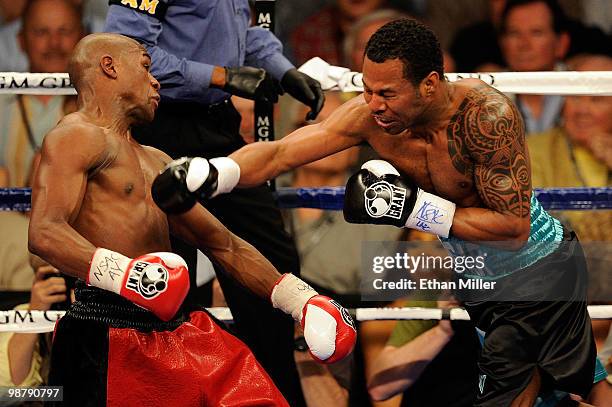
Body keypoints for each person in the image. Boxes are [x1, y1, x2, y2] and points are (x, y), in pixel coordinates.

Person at [159, 18, 597, 406]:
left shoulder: (486, 117)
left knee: (510, 396)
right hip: (479, 279)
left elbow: (514, 228)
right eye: (367, 90)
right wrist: (215, 172)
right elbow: (280, 154)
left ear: (429, 83)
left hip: (539, 268)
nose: (374, 103)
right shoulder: (372, 116)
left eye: (387, 92)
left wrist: (413, 209)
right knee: (588, 388)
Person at [27, 32, 356, 406]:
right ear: (109, 66)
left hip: (178, 326)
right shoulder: (76, 135)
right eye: (147, 67)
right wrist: (128, 275)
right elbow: (45, 232)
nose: (156, 81)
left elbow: (224, 244)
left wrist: (301, 300)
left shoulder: (157, 161)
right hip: (105, 327)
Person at [103, 3, 323, 402]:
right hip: (160, 125)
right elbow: (126, 50)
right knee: (168, 281)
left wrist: (282, 68)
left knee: (271, 259)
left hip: (218, 125)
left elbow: (241, 32)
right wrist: (220, 75)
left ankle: (272, 394)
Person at [0, 0, 83, 187]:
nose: (54, 43)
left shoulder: (99, 106)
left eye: (64, 31)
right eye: (41, 32)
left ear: (82, 36)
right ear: (21, 41)